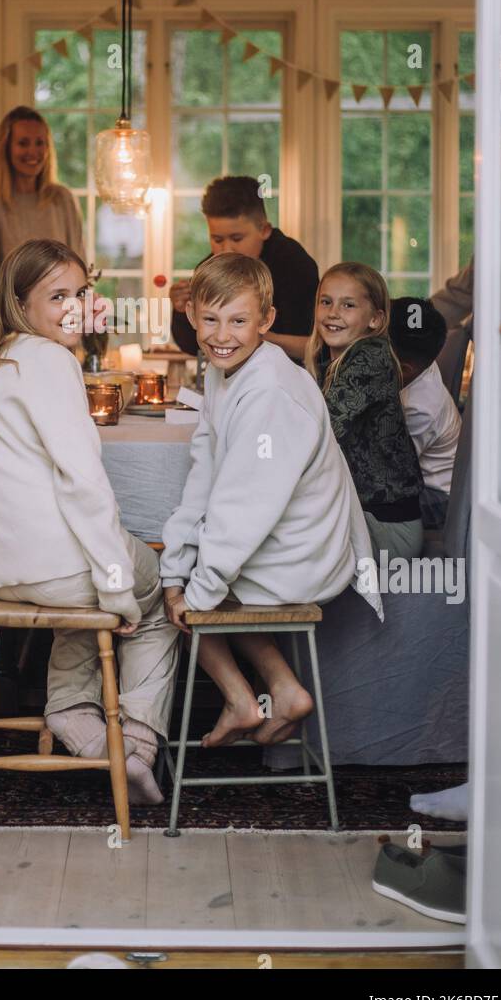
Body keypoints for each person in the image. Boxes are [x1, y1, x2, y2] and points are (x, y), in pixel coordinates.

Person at [0, 238, 181, 804]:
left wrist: (105, 585)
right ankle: (135, 744)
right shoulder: (50, 360)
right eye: (57, 296)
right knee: (160, 590)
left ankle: (75, 719)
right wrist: (119, 591)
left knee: (85, 597)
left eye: (82, 292)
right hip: (50, 569)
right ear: (20, 304)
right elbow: (83, 486)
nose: (76, 306)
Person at [160, 254, 376, 749]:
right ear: (191, 314)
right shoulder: (225, 371)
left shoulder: (269, 390)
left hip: (303, 554)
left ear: (266, 321)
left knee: (188, 591)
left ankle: (239, 698)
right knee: (180, 576)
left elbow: (244, 508)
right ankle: (281, 690)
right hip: (282, 542)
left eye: (238, 321)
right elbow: (207, 476)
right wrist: (176, 567)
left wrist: (190, 592)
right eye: (210, 320)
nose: (222, 335)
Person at [306, 263, 424, 564]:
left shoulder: (369, 357)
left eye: (348, 305)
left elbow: (319, 433)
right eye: (326, 301)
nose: (333, 312)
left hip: (387, 527)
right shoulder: (330, 361)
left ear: (375, 319)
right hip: (362, 515)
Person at [168, 175, 318, 362]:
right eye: (217, 240)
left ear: (264, 230)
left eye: (237, 238)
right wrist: (182, 312)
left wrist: (256, 335)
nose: (226, 250)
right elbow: (192, 346)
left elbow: (315, 348)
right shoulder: (211, 267)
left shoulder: (295, 266)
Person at [0, 106, 85, 333]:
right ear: (6, 148)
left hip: (57, 332)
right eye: (23, 143)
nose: (33, 152)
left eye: (40, 143)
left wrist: (75, 326)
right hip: (7, 335)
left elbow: (78, 271)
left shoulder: (63, 200)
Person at [389, 297, 462, 531]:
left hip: (435, 495)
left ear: (405, 368)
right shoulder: (418, 359)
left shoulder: (419, 408)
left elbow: (392, 472)